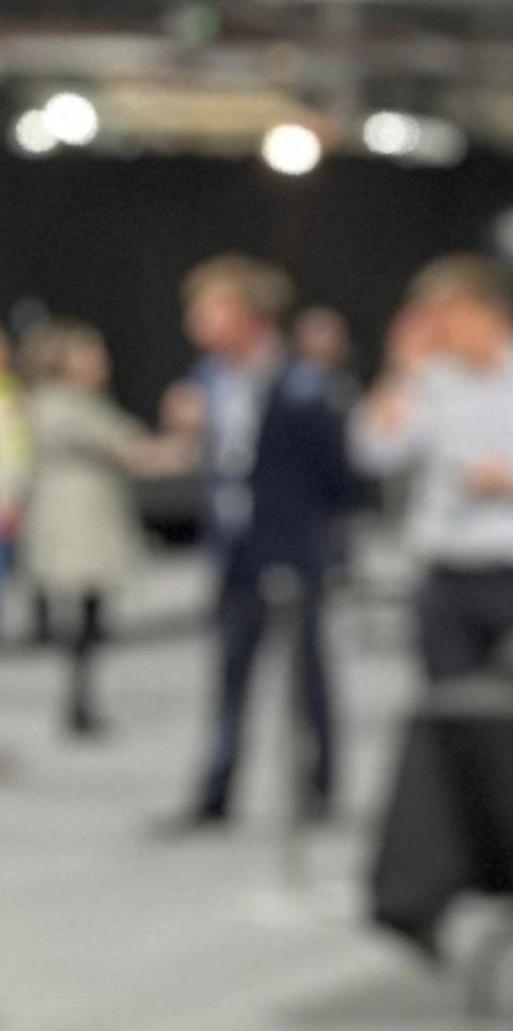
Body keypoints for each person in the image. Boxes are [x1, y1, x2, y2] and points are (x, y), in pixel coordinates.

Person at [351, 254, 513, 683]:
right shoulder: (430, 383)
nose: (438, 330)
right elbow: (372, 452)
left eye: (447, 316)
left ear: (491, 312)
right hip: (445, 578)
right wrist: (400, 369)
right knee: (448, 724)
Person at [173, 256, 357, 829]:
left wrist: (320, 539)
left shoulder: (305, 386)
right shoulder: (207, 383)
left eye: (212, 311)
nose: (199, 325)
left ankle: (321, 788)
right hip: (234, 550)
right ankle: (216, 793)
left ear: (251, 317)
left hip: (293, 549)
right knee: (230, 676)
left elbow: (338, 477)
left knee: (308, 676)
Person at [17, 324, 160, 740]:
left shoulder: (82, 403)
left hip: (86, 518)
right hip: (77, 522)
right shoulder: (61, 404)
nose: (100, 363)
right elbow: (130, 447)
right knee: (83, 614)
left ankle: (80, 700)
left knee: (89, 612)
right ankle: (78, 703)